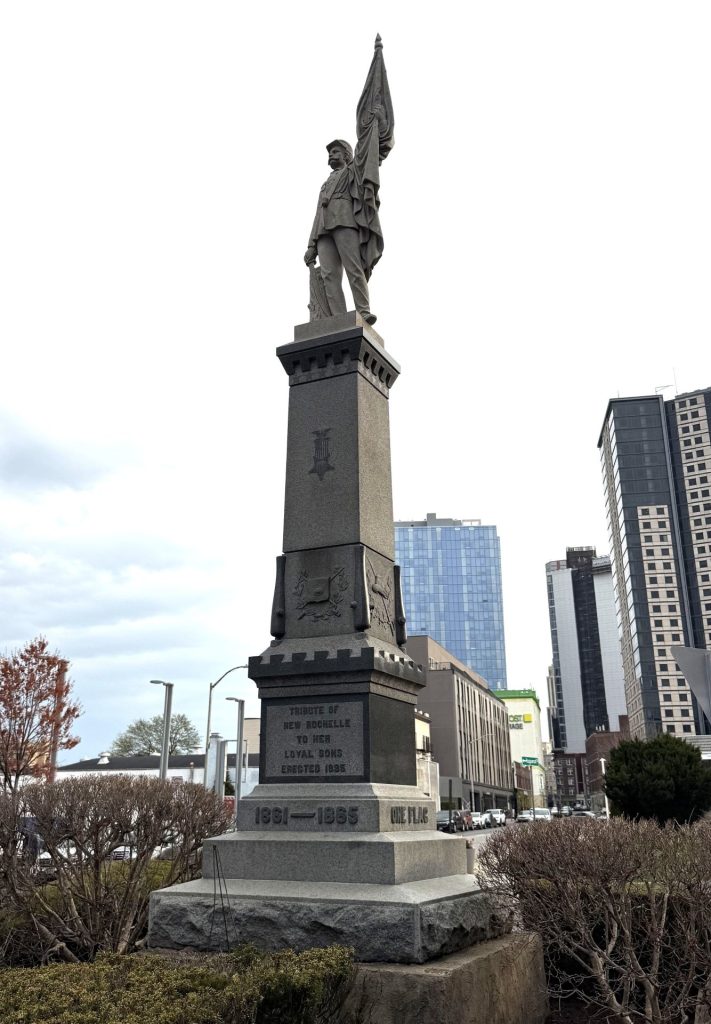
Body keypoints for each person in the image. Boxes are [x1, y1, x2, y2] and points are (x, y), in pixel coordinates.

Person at [304, 37, 394, 326]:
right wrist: (310, 244)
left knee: (353, 267)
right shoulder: (324, 184)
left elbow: (368, 147)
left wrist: (374, 121)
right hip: (325, 230)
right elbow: (317, 214)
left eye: (335, 151)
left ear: (345, 154)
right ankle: (335, 320)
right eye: (329, 152)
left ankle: (362, 310)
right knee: (329, 275)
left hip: (346, 222)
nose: (331, 155)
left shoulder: (353, 171)